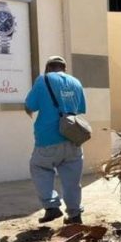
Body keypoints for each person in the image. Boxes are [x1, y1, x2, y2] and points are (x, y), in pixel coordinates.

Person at [24, 55, 87, 224]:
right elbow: (80, 109)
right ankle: (75, 215)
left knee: (39, 167)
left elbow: (30, 105)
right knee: (72, 180)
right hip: (73, 138)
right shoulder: (76, 82)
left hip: (48, 139)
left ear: (48, 68)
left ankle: (51, 207)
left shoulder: (43, 79)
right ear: (64, 68)